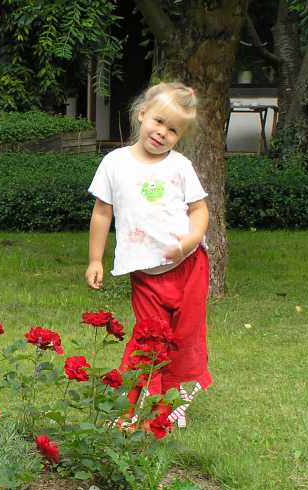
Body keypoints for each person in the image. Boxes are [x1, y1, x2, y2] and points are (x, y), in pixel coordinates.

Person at [86, 81, 211, 427]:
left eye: (173, 130)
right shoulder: (114, 163)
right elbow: (102, 213)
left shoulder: (180, 166)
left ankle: (172, 402)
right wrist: (95, 259)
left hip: (189, 268)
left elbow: (199, 210)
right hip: (146, 275)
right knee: (149, 340)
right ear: (142, 114)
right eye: (158, 121)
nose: (162, 133)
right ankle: (132, 406)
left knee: (184, 337)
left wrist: (189, 241)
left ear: (180, 137)